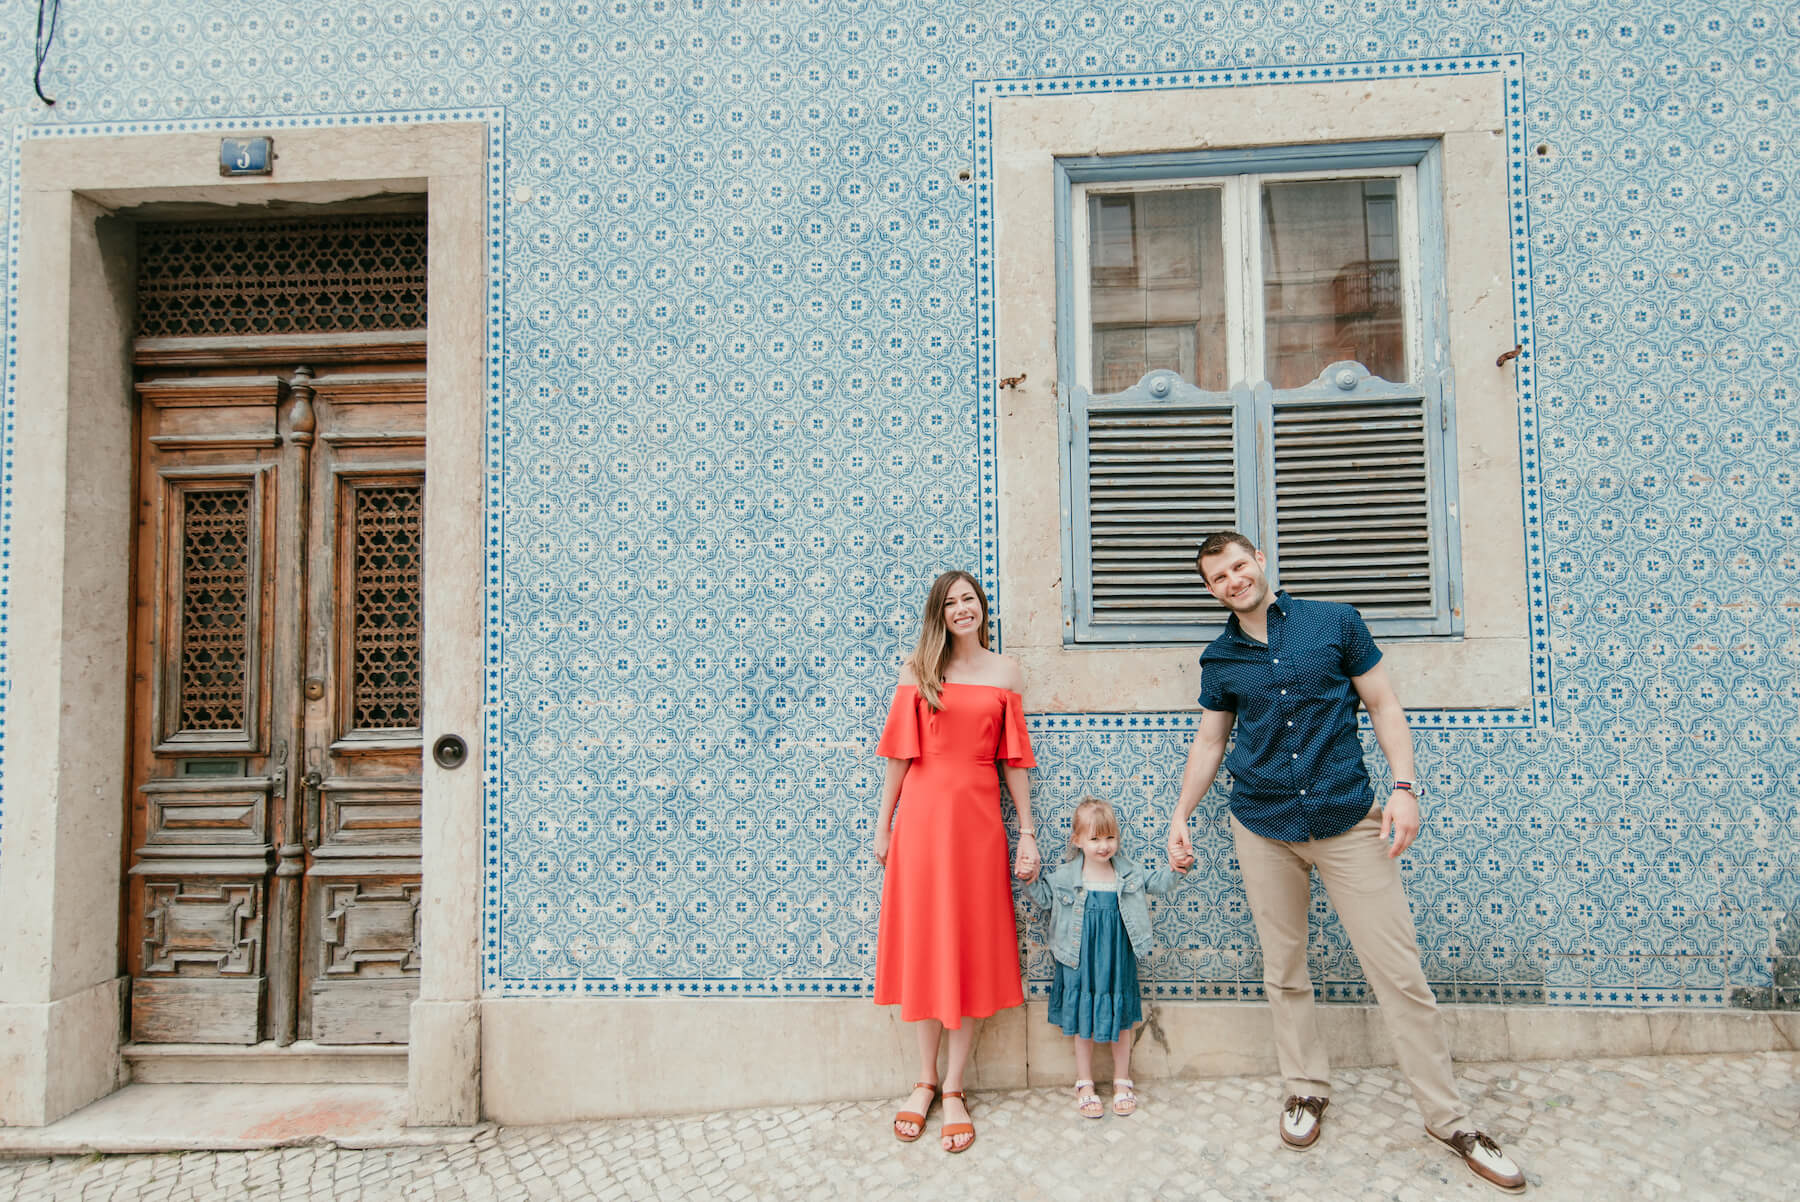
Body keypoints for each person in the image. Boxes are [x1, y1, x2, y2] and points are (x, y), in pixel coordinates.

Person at [1165, 531, 1528, 1194]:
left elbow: (1384, 704)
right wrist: (1180, 816)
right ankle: (1305, 1089)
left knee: (1400, 973)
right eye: (1218, 577)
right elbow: (1210, 742)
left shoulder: (1336, 621)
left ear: (1261, 562)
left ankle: (1451, 1120)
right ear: (1211, 588)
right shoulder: (1219, 659)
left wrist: (1404, 787)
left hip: (1348, 821)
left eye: (1240, 566)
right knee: (1285, 971)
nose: (1234, 581)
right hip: (1263, 826)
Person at [873, 570, 1039, 1153]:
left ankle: (952, 1088)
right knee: (925, 947)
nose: (961, 609)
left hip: (977, 825)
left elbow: (1013, 760)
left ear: (982, 608)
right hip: (920, 820)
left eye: (969, 599)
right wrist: (883, 826)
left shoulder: (1005, 672)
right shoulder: (917, 670)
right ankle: (921, 1080)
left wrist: (1027, 832)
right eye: (950, 603)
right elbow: (898, 754)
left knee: (967, 947)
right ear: (938, 615)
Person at [1025, 796, 1184, 1119]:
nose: (1103, 846)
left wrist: (1178, 868)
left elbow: (1158, 883)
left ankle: (1122, 1080)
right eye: (1095, 839)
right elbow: (1043, 899)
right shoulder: (1067, 876)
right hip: (1078, 958)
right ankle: (1084, 1082)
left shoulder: (1127, 874)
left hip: (1116, 958)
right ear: (1078, 840)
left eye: (1109, 837)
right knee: (1083, 1019)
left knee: (1121, 1018)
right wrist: (1029, 877)